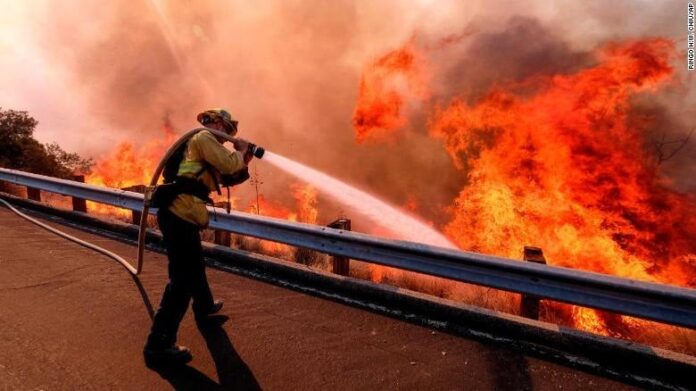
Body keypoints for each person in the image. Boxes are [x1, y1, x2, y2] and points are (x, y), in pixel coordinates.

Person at [144, 108, 252, 365]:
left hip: (184, 215)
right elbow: (227, 163)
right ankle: (158, 345)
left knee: (194, 266)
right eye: (225, 129)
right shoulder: (203, 137)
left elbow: (227, 175)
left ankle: (204, 308)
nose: (226, 136)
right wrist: (239, 151)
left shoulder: (205, 146)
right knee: (181, 280)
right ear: (214, 122)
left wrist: (244, 159)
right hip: (179, 215)